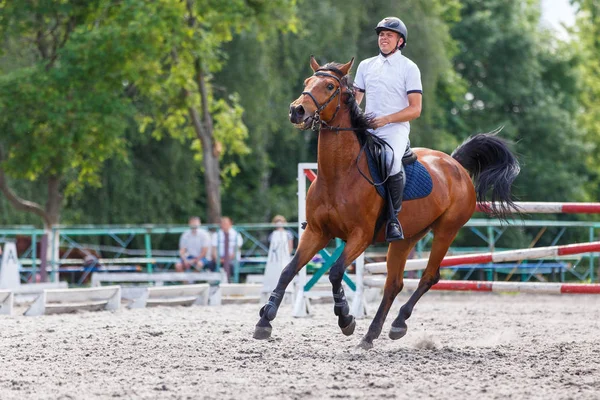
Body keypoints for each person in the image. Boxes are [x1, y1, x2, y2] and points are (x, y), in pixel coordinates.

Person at [353, 16, 423, 242]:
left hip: (395, 129)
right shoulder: (365, 65)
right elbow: (356, 100)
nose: (383, 38)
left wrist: (386, 120)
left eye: (389, 35)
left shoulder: (409, 68)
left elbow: (415, 109)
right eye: (381, 34)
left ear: (400, 41)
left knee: (391, 160)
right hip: (368, 126)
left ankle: (393, 218)